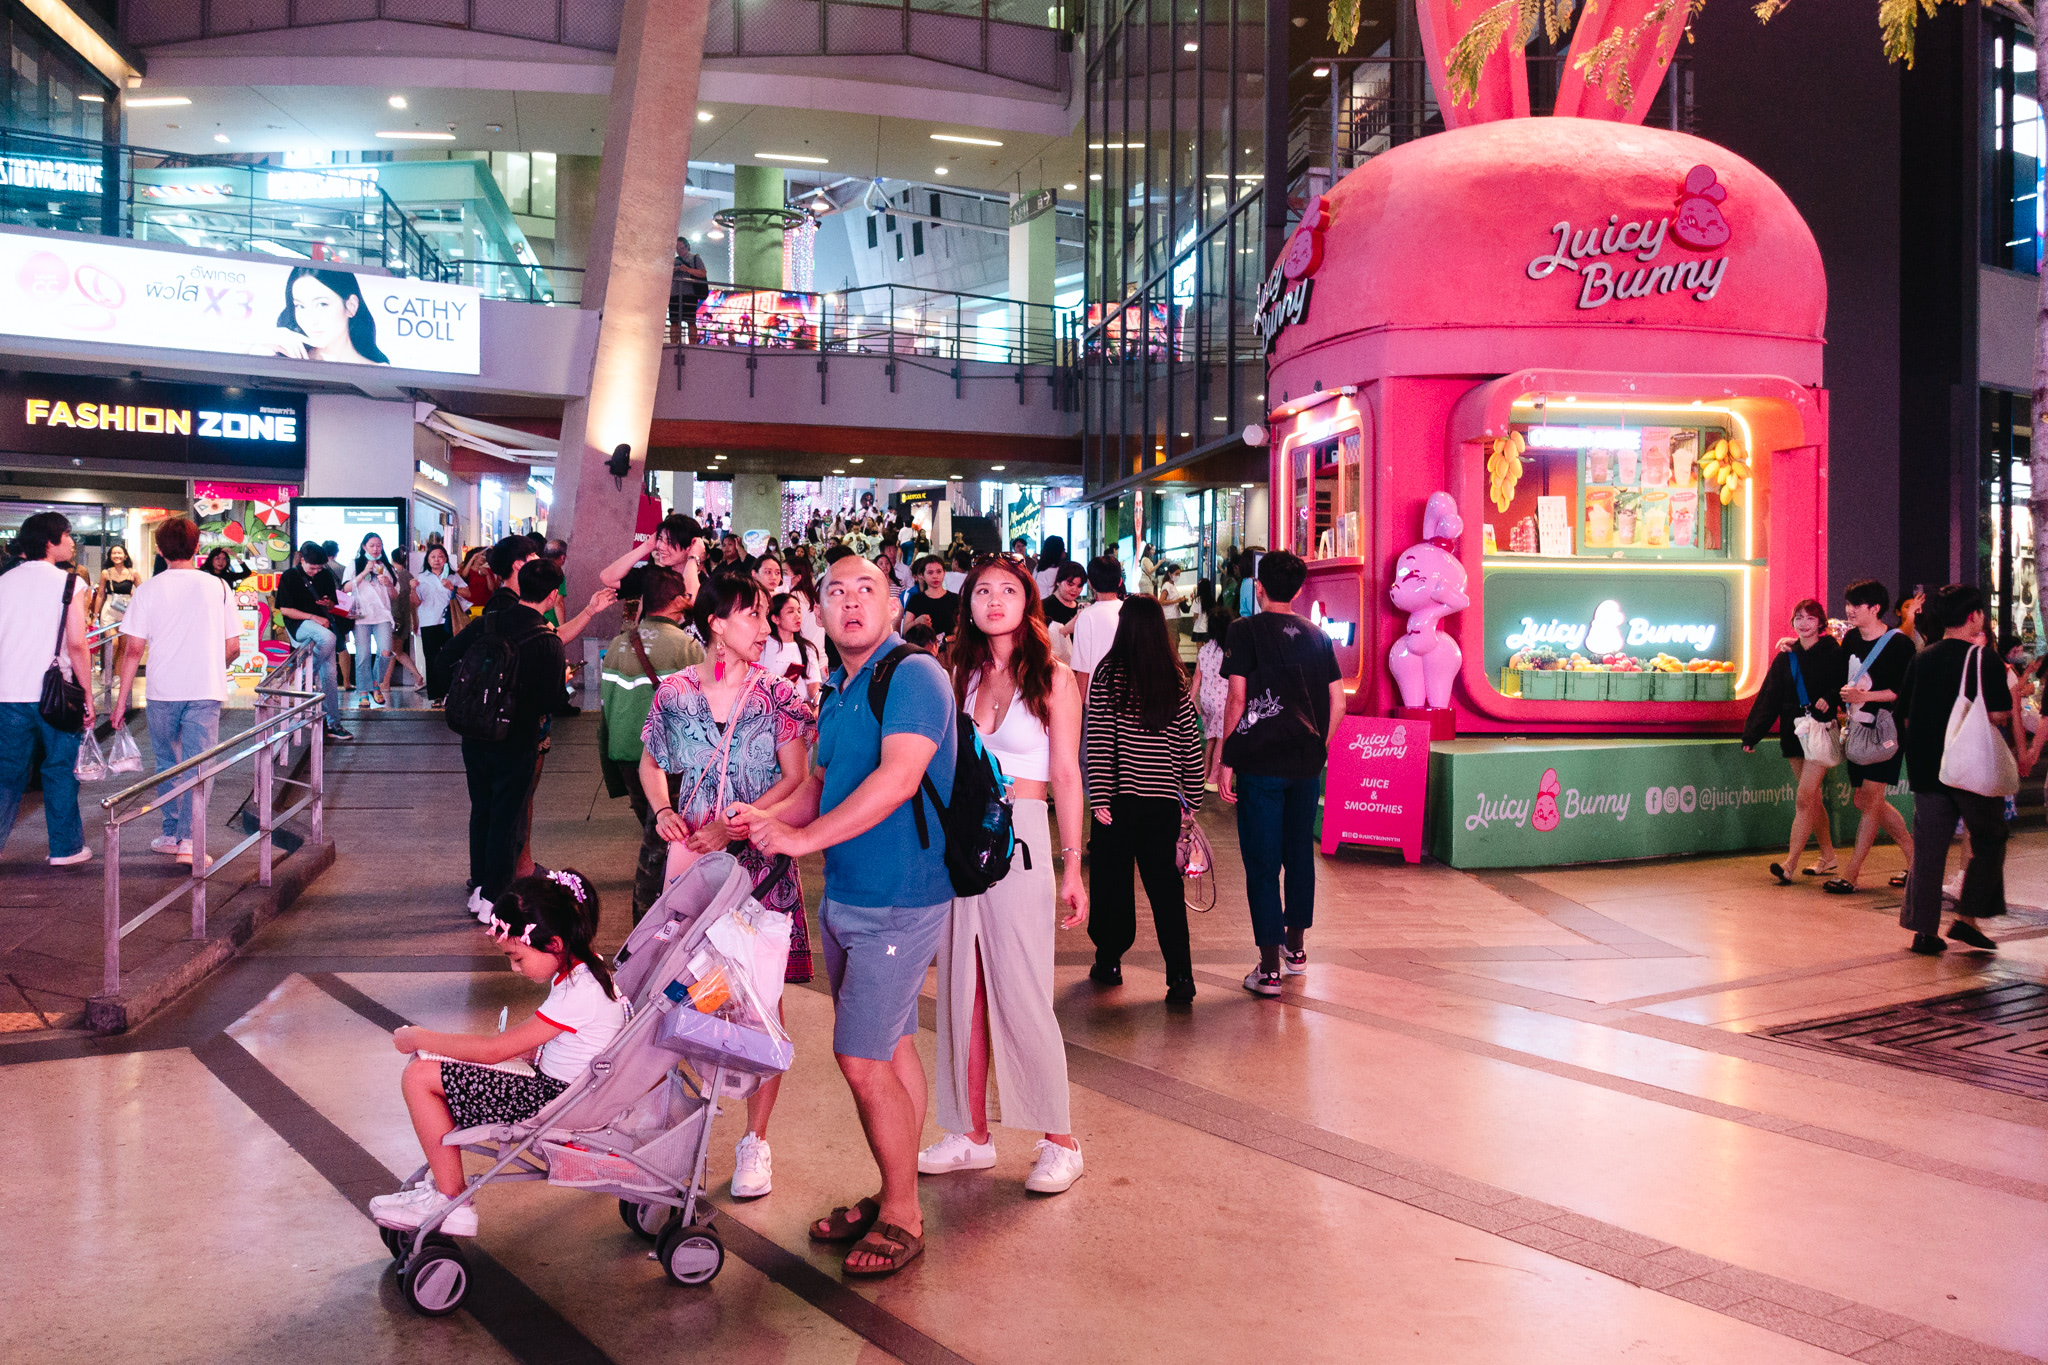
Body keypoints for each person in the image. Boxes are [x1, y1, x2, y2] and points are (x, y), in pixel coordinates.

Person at [724, 554, 957, 1278]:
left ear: (892, 604)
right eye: (836, 592)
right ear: (818, 610)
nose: (851, 602)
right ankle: (898, 1187)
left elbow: (898, 779)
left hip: (902, 897)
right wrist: (755, 819)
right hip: (849, 895)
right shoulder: (839, 688)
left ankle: (904, 1215)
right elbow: (824, 785)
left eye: (867, 590)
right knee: (890, 1049)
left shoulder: (915, 675)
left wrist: (799, 840)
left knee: (858, 1057)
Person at [638, 569, 812, 1197]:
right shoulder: (677, 694)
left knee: (762, 1005)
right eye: (753, 616)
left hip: (761, 864)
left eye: (766, 616)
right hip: (692, 868)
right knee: (687, 996)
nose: (764, 628)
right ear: (715, 623)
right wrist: (662, 810)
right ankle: (687, 1133)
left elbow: (796, 779)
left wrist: (744, 826)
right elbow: (652, 762)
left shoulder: (779, 697)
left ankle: (755, 1142)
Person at [919, 556, 1089, 1191]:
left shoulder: (1054, 677)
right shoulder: (956, 671)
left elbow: (1067, 774)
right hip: (961, 837)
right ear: (968, 603)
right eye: (983, 590)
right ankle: (970, 1132)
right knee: (964, 983)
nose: (995, 600)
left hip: (1020, 831)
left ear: (1028, 601)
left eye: (1009, 590)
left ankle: (1060, 1139)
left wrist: (1072, 863)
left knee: (1020, 986)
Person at [369, 869, 622, 1238]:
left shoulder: (578, 992)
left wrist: (420, 1036)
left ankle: (450, 1198)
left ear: (553, 944)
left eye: (517, 957)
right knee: (429, 1067)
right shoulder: (586, 971)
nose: (514, 968)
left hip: (550, 1100)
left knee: (419, 1075)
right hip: (557, 1091)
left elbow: (493, 1051)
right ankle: (445, 1190)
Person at [1219, 550, 1344, 997]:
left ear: (1258, 588)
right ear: (1298, 590)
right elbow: (1339, 702)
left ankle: (1268, 969)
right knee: (1299, 856)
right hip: (1305, 765)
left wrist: (1225, 759)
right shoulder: (1317, 635)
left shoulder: (1244, 630)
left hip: (1261, 763)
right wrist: (1319, 748)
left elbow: (1237, 698)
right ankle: (1296, 950)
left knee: (1261, 861)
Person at [1083, 594, 1204, 1003]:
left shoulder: (1108, 674)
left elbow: (1098, 740)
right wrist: (1191, 803)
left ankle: (1110, 960)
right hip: (1163, 806)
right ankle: (1181, 978)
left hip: (1117, 802)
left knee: (1111, 885)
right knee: (1166, 891)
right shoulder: (1174, 676)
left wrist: (1098, 795)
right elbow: (1191, 743)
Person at [440, 559, 574, 912]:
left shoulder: (490, 621)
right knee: (506, 817)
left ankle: (480, 883)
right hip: (516, 739)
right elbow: (552, 702)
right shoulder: (547, 640)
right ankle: (491, 900)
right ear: (551, 594)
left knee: (482, 808)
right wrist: (562, 681)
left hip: (475, 732)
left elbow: (445, 658)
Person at [108, 516, 240, 866]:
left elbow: (133, 650)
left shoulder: (148, 589)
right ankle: (189, 841)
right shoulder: (219, 588)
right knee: (200, 764)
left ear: (159, 549)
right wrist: (211, 668)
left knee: (167, 763)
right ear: (197, 548)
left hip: (162, 689)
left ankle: (170, 833)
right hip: (205, 688)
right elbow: (233, 648)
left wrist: (121, 703)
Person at [1896, 584, 2012, 955]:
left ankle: (1923, 931)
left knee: (1929, 849)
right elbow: (1997, 714)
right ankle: (1967, 917)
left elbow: (1907, 716)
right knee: (1989, 839)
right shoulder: (1983, 659)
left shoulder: (1922, 658)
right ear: (1974, 616)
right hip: (1971, 767)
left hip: (1928, 767)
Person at [600, 567, 704, 917]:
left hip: (626, 756)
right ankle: (656, 918)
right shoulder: (687, 647)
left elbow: (606, 707)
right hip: (666, 762)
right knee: (662, 840)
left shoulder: (618, 643)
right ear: (677, 601)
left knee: (652, 829)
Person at [0, 512, 94, 865]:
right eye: (67, 536)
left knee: (7, 776)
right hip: (56, 694)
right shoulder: (68, 584)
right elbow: (77, 645)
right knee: (58, 768)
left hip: (7, 693)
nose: (72, 542)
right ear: (50, 542)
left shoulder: (4, 581)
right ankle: (65, 849)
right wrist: (87, 692)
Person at [1822, 580, 1916, 896]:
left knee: (1872, 800)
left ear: (1874, 608)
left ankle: (1851, 874)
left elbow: (1902, 691)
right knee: (1865, 800)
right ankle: (1917, 861)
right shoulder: (1849, 638)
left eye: (1856, 604)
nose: (1849, 610)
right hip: (1857, 730)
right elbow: (1837, 675)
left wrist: (1865, 694)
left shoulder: (1899, 643)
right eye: (1848, 603)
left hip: (1885, 733)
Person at [1741, 599, 1845, 884]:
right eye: (1798, 617)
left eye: (1809, 618)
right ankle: (1828, 856)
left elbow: (1844, 681)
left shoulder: (1832, 651)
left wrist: (1831, 697)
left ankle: (1789, 865)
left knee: (1803, 797)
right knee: (1812, 799)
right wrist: (1752, 734)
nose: (1803, 623)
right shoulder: (1786, 656)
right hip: (1793, 732)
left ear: (1820, 623)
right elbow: (1769, 697)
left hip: (1821, 730)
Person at [275, 542, 352, 743]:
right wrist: (313, 617)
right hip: (299, 626)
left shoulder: (325, 575)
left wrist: (328, 604)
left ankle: (333, 723)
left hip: (322, 627)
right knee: (329, 638)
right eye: (312, 568)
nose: (316, 572)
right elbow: (285, 610)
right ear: (302, 561)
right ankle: (301, 676)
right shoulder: (289, 577)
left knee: (330, 677)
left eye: (320, 568)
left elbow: (334, 604)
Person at [269, 266, 391, 364]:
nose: (310, 320)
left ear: (351, 306)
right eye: (300, 306)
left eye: (322, 304)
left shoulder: (380, 371)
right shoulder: (286, 359)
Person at [598, 513, 705, 608]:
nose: (661, 547)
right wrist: (647, 546)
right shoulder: (655, 575)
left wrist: (693, 557)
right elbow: (608, 578)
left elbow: (690, 602)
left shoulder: (705, 583)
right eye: (660, 539)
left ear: (690, 546)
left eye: (669, 541)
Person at [347, 532, 398, 709]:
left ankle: (375, 684)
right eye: (372, 545)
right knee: (363, 655)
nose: (376, 549)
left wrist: (389, 584)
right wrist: (364, 573)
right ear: (364, 547)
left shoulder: (387, 567)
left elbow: (394, 595)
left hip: (382, 615)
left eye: (379, 545)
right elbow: (346, 587)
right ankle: (363, 692)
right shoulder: (354, 564)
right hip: (361, 616)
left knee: (385, 651)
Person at [1069, 554, 1127, 701]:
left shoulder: (1086, 617)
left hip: (1096, 701)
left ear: (1090, 583)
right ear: (1120, 581)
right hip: (1127, 697)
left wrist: (1078, 710)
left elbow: (1083, 671)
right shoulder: (1130, 611)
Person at [414, 544, 463, 707]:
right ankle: (436, 695)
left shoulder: (453, 576)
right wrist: (412, 590)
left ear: (446, 559)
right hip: (428, 622)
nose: (437, 560)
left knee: (451, 657)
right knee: (431, 659)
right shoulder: (421, 578)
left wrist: (452, 587)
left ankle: (451, 692)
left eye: (440, 556)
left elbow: (468, 594)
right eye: (433, 557)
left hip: (449, 622)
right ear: (427, 560)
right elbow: (415, 602)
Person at [762, 591, 825, 708]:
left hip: (800, 711)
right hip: (770, 710)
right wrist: (781, 684)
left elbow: (813, 686)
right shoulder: (763, 646)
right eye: (790, 611)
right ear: (775, 618)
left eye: (799, 611)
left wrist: (816, 708)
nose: (798, 616)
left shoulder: (807, 649)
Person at [1194, 601, 1233, 789]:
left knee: (1210, 737)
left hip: (1206, 700)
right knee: (1222, 739)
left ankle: (1204, 772)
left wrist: (1190, 699)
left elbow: (1196, 678)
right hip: (1222, 701)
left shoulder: (1204, 649)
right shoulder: (1228, 652)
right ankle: (1213, 779)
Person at [903, 555, 960, 643]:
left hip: (949, 650)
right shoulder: (916, 600)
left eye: (939, 572)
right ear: (922, 575)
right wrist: (916, 622)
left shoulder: (955, 599)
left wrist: (954, 634)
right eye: (930, 572)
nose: (935, 576)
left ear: (944, 572)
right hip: (922, 651)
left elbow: (962, 627)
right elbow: (905, 630)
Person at [672, 237, 709, 343]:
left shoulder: (695, 258)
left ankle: (692, 344)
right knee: (674, 321)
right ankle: (673, 344)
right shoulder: (673, 261)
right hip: (674, 293)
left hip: (690, 293)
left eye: (681, 247)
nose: (679, 250)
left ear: (687, 246)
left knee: (691, 321)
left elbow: (703, 273)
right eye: (677, 248)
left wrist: (687, 270)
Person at [92, 544, 138, 626]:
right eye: (114, 553)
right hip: (109, 609)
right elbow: (100, 594)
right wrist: (95, 615)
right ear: (110, 556)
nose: (117, 555)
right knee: (111, 638)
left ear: (125, 556)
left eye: (119, 553)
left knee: (124, 638)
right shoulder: (105, 573)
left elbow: (142, 592)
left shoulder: (133, 573)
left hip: (126, 609)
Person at [457, 547, 494, 620]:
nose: (483, 557)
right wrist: (472, 558)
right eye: (481, 555)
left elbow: (491, 588)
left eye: (484, 556)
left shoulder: (488, 571)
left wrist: (487, 575)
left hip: (485, 606)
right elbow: (464, 575)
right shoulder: (468, 570)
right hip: (470, 607)